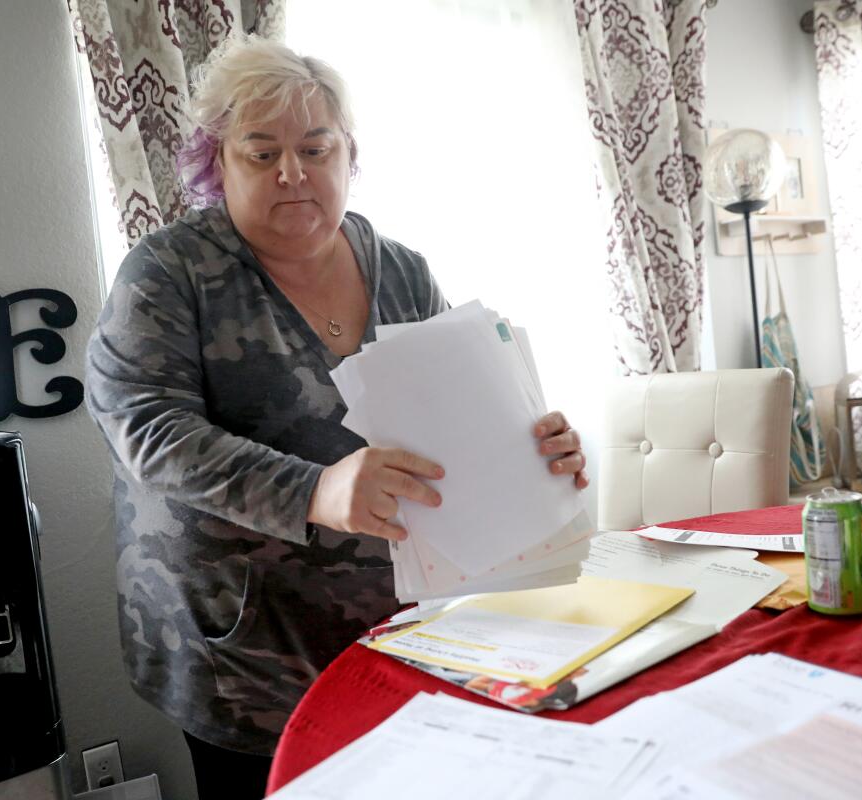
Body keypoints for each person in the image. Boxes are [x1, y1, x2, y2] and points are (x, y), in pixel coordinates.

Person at [85, 35, 588, 800]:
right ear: (216, 163)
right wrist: (313, 490)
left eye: (316, 148)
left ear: (350, 155)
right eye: (261, 153)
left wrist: (534, 447)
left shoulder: (403, 269)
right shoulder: (167, 273)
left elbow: (461, 409)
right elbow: (146, 429)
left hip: (397, 623)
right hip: (245, 644)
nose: (294, 172)